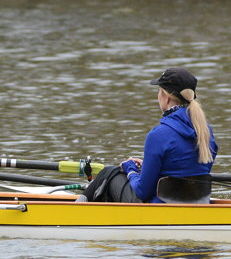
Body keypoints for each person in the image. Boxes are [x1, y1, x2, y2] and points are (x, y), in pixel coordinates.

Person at [83, 67, 218, 203]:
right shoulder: (206, 132)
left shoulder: (158, 135)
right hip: (198, 204)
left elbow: (142, 191)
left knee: (110, 172)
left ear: (166, 97)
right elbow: (188, 170)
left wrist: (130, 169)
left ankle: (76, 211)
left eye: (159, 91)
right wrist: (148, 166)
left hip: (161, 210)